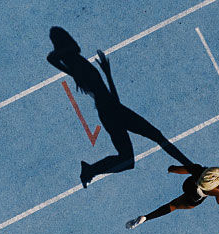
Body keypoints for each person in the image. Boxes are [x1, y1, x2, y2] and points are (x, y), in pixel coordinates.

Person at [46, 27, 196, 187]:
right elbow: (53, 58)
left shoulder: (75, 64)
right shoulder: (78, 65)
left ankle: (90, 170)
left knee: (132, 156)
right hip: (112, 111)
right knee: (149, 142)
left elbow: (53, 58)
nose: (72, 39)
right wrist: (108, 75)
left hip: (110, 111)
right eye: (68, 36)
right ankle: (193, 168)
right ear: (65, 42)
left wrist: (107, 74)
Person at [127, 165, 219, 229]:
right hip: (195, 197)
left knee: (175, 202)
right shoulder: (218, 191)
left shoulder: (198, 169)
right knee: (173, 206)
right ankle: (145, 218)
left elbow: (180, 169)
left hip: (188, 185)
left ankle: (145, 217)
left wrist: (171, 169)